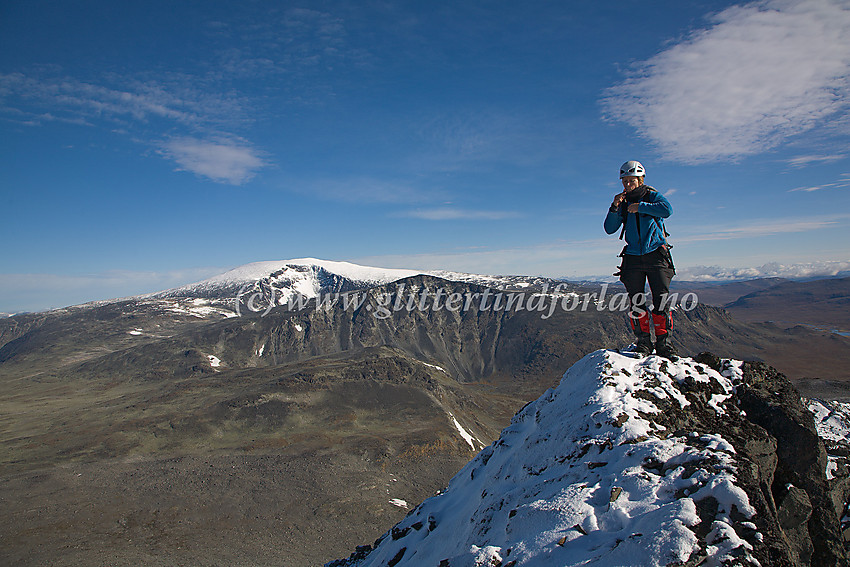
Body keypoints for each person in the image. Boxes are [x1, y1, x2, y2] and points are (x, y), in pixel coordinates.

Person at [604, 160, 678, 359]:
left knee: (660, 299)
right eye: (625, 181)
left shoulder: (652, 195)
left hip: (656, 254)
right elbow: (610, 228)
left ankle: (664, 344)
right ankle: (643, 342)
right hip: (633, 257)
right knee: (636, 302)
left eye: (632, 181)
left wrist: (641, 207)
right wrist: (614, 206)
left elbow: (667, 210)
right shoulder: (623, 201)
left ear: (640, 179)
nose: (628, 185)